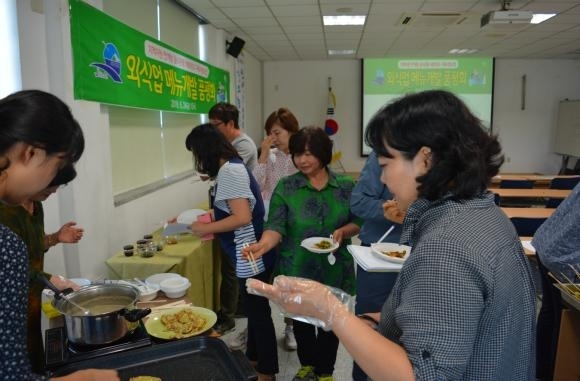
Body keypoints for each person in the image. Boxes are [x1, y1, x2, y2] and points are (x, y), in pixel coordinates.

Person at [246, 90, 537, 381]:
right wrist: (375, 322)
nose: (383, 179)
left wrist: (331, 308)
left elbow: (422, 375)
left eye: (385, 165)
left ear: (425, 159)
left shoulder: (446, 247)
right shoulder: (483, 215)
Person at [0, 89, 118, 380]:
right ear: (32, 151)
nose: (52, 181)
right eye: (58, 165)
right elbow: (12, 374)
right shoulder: (6, 245)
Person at [242, 126, 361, 381]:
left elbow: (357, 221)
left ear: (323, 154)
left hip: (334, 266)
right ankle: (307, 366)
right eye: (298, 154)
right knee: (303, 319)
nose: (302, 160)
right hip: (298, 264)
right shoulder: (287, 187)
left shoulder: (345, 186)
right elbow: (275, 226)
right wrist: (263, 245)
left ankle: (326, 371)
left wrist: (343, 231)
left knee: (331, 321)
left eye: (309, 153)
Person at [185, 123, 278, 381]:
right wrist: (209, 219)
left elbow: (241, 217)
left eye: (196, 153)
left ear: (206, 151)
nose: (197, 159)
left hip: (249, 251)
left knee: (258, 313)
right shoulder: (234, 167)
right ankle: (254, 358)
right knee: (254, 309)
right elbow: (234, 208)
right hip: (250, 250)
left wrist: (205, 228)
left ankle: (267, 371)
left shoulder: (230, 172)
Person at [0, 164, 83, 372]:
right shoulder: (6, 210)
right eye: (49, 186)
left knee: (34, 357)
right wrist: (51, 279)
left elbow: (32, 246)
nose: (53, 191)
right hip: (12, 302)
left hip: (33, 301)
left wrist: (55, 238)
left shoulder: (37, 206)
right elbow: (9, 265)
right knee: (16, 363)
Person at [229, 107, 300, 351]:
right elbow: (255, 188)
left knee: (289, 281)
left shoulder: (302, 157)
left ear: (292, 131)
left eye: (278, 132)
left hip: (293, 228)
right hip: (266, 227)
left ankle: (291, 327)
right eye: (270, 133)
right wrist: (262, 155)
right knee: (259, 281)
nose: (274, 138)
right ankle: (254, 329)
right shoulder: (269, 157)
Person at [349, 150, 402, 381]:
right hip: (380, 256)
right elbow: (358, 202)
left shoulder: (444, 153)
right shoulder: (382, 154)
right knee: (369, 328)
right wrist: (388, 210)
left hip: (424, 252)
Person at [208, 102, 258, 334]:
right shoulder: (229, 152)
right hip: (237, 223)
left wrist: (203, 227)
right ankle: (239, 313)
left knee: (234, 271)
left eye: (215, 125)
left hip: (241, 231)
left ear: (230, 123)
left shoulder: (239, 150)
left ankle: (230, 317)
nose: (213, 129)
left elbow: (242, 216)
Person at [532, 181, 580, 380]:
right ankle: (553, 371)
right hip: (564, 256)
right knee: (564, 321)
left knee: (551, 313)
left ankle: (542, 369)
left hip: (549, 244)